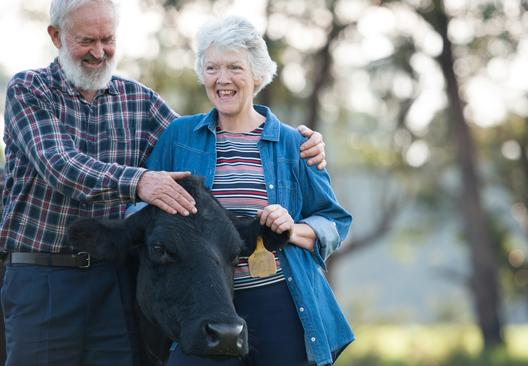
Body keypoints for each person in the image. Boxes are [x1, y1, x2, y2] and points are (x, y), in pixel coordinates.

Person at [0, 1, 326, 365]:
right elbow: (58, 164)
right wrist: (140, 182)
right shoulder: (29, 89)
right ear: (56, 36)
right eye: (85, 40)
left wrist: (297, 140)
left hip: (115, 280)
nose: (98, 51)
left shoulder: (139, 100)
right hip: (43, 274)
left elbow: (203, 138)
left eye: (107, 39)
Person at [144, 16, 354, 366]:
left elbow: (335, 222)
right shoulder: (177, 137)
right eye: (211, 67)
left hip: (277, 300)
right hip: (202, 304)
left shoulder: (294, 144)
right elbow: (142, 209)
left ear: (257, 74)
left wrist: (291, 229)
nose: (222, 79)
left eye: (234, 67)